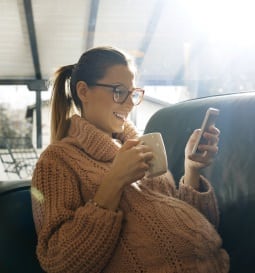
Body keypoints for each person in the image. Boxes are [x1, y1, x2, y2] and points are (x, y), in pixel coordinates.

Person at [31, 46, 230, 273]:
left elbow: (193, 225)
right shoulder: (57, 162)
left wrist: (192, 170)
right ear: (84, 91)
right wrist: (114, 183)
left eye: (133, 93)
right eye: (118, 91)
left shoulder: (143, 147)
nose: (129, 103)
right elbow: (58, 261)